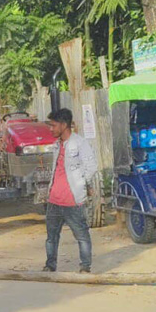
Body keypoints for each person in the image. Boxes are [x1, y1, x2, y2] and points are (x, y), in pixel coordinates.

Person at [43, 109, 98, 273]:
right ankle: (50, 266)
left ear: (64, 125)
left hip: (73, 200)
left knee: (81, 236)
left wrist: (82, 184)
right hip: (54, 199)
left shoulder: (79, 143)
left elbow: (92, 166)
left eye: (53, 125)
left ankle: (85, 267)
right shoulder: (57, 145)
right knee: (51, 237)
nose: (51, 129)